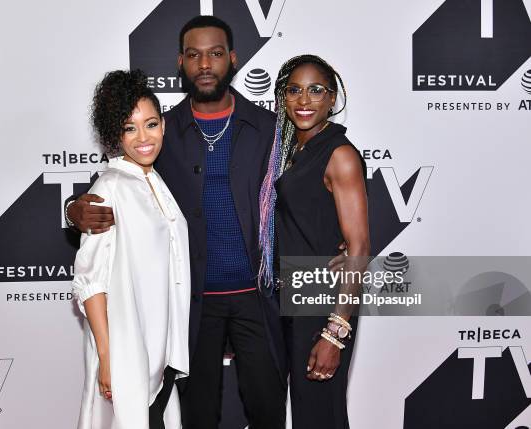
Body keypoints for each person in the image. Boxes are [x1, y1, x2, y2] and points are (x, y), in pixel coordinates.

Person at [67, 16, 287, 429]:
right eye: (194, 55)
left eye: (215, 53)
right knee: (194, 415)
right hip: (190, 307)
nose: (205, 64)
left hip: (255, 298)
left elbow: (298, 195)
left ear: (233, 59)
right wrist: (72, 209)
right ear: (180, 63)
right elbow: (116, 183)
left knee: (268, 409)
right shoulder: (162, 135)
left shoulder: (268, 128)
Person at [71, 70, 190, 429]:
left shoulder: (154, 179)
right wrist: (108, 357)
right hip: (129, 351)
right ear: (115, 134)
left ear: (163, 126)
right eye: (130, 128)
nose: (143, 138)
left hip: (162, 349)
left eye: (150, 124)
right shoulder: (109, 186)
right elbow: (91, 283)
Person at [258, 55, 370, 428]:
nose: (304, 100)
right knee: (308, 414)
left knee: (320, 416)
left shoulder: (340, 155)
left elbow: (358, 248)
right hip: (293, 297)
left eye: (315, 90)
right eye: (294, 90)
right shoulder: (291, 151)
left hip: (322, 304)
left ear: (332, 97)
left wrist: (334, 334)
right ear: (282, 98)